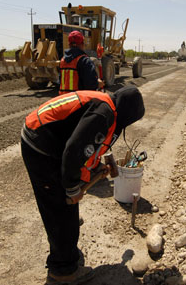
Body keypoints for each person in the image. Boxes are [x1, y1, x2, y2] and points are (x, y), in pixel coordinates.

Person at [20, 86, 145, 285]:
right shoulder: (103, 115)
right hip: (41, 146)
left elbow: (85, 144)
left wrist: (95, 170)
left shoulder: (107, 105)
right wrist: (72, 188)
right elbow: (73, 151)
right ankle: (62, 271)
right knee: (61, 206)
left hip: (47, 138)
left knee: (65, 207)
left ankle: (65, 251)